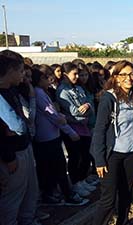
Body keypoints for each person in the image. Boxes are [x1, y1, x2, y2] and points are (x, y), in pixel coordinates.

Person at [91, 60, 133, 225]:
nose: (129, 78)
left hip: (131, 152)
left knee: (126, 193)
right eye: (124, 74)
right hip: (112, 155)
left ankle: (123, 221)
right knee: (108, 199)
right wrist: (99, 159)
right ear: (116, 77)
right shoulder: (109, 98)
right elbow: (99, 130)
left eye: (132, 74)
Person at [31, 66, 88, 206]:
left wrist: (60, 116)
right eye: (47, 77)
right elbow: (52, 115)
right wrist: (70, 131)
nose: (50, 79)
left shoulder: (42, 92)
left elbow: (55, 114)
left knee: (54, 168)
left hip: (51, 136)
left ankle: (55, 195)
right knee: (59, 168)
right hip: (47, 138)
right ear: (39, 80)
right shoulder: (39, 94)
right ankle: (67, 195)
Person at [0, 51, 39, 225]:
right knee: (13, 196)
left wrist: (18, 129)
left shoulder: (12, 90)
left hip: (24, 147)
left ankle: (27, 220)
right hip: (13, 155)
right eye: (21, 71)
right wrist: (8, 157)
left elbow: (21, 124)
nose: (23, 76)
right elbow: (12, 128)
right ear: (10, 70)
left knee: (30, 190)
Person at [56, 62, 96, 197]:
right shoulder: (62, 92)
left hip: (84, 127)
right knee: (75, 157)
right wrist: (84, 109)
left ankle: (82, 179)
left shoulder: (78, 88)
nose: (77, 76)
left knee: (85, 156)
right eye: (75, 74)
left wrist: (87, 106)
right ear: (66, 75)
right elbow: (74, 111)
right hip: (73, 129)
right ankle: (75, 182)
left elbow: (88, 104)